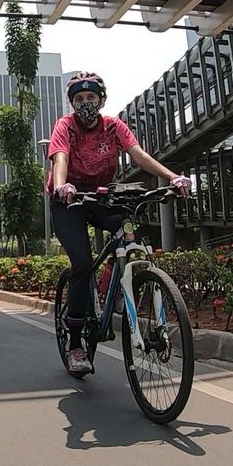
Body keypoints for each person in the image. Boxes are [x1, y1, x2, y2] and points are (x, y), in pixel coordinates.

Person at [48, 72, 191, 375]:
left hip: (100, 197)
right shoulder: (66, 126)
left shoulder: (113, 126)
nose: (85, 103)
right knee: (83, 264)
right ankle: (75, 344)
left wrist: (172, 177)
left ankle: (110, 289)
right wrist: (62, 187)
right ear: (72, 103)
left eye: (90, 98)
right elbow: (59, 158)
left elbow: (138, 156)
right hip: (68, 201)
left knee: (127, 230)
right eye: (79, 99)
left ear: (101, 99)